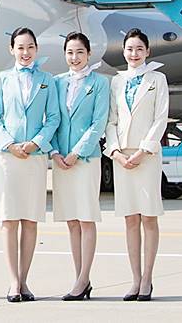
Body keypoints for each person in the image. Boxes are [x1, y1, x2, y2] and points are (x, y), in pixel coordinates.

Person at [0, 27, 61, 303]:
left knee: (30, 220)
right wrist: (9, 144)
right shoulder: (2, 79)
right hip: (8, 157)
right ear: (11, 50)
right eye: (20, 47)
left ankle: (25, 280)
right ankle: (12, 282)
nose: (25, 53)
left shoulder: (47, 80)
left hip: (34, 157)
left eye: (30, 47)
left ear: (36, 49)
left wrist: (36, 143)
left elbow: (53, 117)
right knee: (9, 219)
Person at [104, 28, 168, 302]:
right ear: (124, 51)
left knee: (149, 217)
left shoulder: (158, 79)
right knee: (130, 219)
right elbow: (111, 120)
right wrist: (115, 152)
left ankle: (147, 279)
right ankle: (134, 279)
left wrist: (143, 151)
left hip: (147, 156)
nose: (133, 54)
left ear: (147, 52)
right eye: (129, 49)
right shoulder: (116, 82)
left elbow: (160, 118)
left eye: (139, 49)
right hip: (122, 157)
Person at [49, 32, 110, 301]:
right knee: (71, 221)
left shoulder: (100, 83)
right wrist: (54, 151)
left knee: (86, 219)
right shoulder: (56, 82)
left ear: (89, 54)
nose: (74, 58)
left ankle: (84, 278)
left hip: (85, 159)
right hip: (61, 159)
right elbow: (50, 119)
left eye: (79, 53)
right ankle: (79, 279)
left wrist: (76, 152)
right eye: (70, 53)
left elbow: (99, 123)